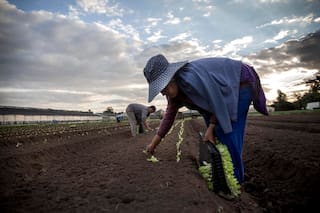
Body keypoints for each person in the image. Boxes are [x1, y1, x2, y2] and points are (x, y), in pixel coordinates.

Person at [143, 54, 268, 185]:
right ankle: (221, 173)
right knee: (214, 135)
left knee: (228, 133)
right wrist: (153, 145)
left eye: (163, 88)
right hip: (219, 96)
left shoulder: (191, 80)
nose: (162, 93)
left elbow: (220, 102)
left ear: (172, 78)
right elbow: (168, 118)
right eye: (160, 90)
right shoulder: (175, 95)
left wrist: (212, 126)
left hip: (238, 84)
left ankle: (235, 182)